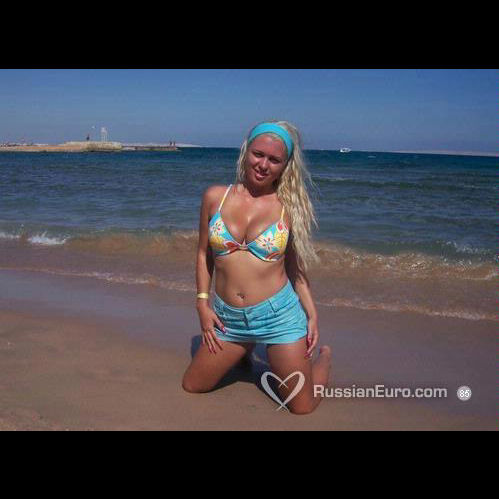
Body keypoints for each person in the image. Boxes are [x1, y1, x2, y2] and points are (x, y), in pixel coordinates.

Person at [182, 121, 331, 414]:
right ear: (246, 151)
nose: (263, 165)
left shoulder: (289, 207)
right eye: (258, 154)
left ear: (285, 165)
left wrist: (312, 314)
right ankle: (244, 347)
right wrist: (202, 303)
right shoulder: (215, 197)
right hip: (227, 319)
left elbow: (295, 268)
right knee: (193, 385)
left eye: (274, 160)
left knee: (301, 407)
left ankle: (325, 358)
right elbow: (203, 254)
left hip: (278, 317)